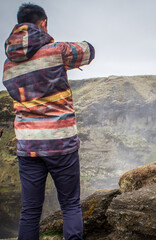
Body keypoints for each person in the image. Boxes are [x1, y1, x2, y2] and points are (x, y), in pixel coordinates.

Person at [2, 3, 95, 240]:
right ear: (43, 23)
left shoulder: (8, 65)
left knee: (30, 211)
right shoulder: (57, 51)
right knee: (70, 205)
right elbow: (89, 51)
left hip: (28, 147)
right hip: (60, 143)